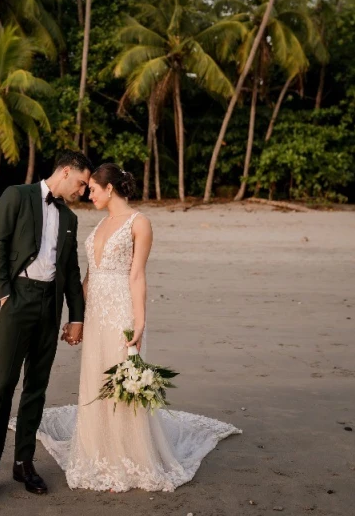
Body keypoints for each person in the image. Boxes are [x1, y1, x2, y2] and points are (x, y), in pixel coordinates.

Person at [21, 162, 242, 492]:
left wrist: (139, 321)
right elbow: (88, 276)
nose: (87, 194)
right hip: (94, 312)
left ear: (109, 189)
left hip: (121, 311)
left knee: (121, 383)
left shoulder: (140, 223)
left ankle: (125, 458)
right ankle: (99, 452)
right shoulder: (99, 225)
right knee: (96, 377)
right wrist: (76, 317)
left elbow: (137, 275)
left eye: (92, 189)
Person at [0, 150, 93, 508]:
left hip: (49, 308)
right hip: (17, 300)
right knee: (2, 384)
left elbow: (68, 271)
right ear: (66, 172)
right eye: (81, 183)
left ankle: (23, 463)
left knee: (36, 387)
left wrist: (76, 316)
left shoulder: (69, 218)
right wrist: (5, 295)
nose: (82, 191)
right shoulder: (16, 195)